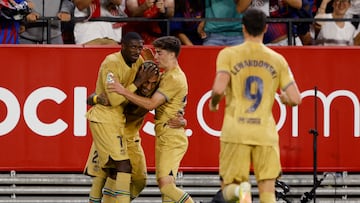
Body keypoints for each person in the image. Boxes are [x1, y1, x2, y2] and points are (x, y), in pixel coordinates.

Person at [209, 8, 301, 203]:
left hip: (236, 131)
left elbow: (218, 89)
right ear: (266, 28)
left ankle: (241, 193)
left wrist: (214, 104)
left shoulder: (228, 54)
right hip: (264, 133)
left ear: (243, 29)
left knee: (230, 187)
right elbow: (296, 98)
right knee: (268, 190)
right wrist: (284, 99)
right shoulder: (277, 59)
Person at [107, 36, 194, 203]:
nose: (156, 57)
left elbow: (151, 104)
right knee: (166, 189)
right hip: (166, 134)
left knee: (166, 185)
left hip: (171, 137)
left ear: (171, 54)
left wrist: (123, 91)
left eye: (159, 53)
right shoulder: (168, 75)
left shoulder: (174, 78)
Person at [85, 60, 187, 202]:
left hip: (132, 137)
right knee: (104, 176)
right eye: (146, 82)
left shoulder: (155, 92)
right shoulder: (126, 88)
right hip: (111, 134)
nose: (148, 87)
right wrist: (97, 98)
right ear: (140, 78)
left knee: (139, 181)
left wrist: (183, 121)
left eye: (153, 83)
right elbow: (91, 98)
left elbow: (171, 108)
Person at [85, 32, 158, 203]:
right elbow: (114, 99)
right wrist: (138, 82)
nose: (137, 51)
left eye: (139, 47)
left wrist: (151, 63)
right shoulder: (111, 63)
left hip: (121, 123)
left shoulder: (140, 62)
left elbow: (150, 70)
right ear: (122, 46)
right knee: (118, 167)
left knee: (136, 179)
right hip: (105, 119)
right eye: (133, 47)